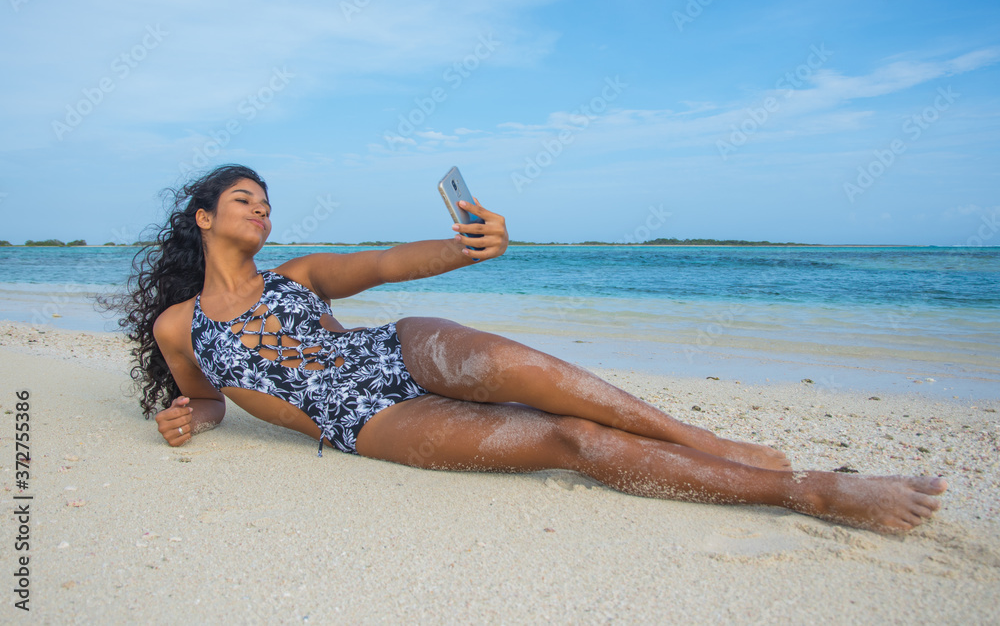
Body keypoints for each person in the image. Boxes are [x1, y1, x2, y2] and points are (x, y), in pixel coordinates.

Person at [113, 164, 946, 535]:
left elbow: (391, 262)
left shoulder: (299, 274)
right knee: (568, 440)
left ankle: (704, 441)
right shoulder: (180, 326)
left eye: (266, 199)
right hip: (360, 420)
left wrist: (474, 245)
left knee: (561, 383)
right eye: (243, 199)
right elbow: (215, 396)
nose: (261, 209)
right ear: (205, 217)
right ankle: (804, 491)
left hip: (401, 350)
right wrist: (191, 418)